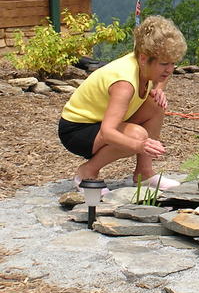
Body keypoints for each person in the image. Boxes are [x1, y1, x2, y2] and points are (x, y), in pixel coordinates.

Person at [58, 15, 187, 192]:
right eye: (164, 64)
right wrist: (139, 146)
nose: (170, 69)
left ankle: (144, 173)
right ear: (143, 58)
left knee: (156, 104)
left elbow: (163, 77)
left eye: (173, 63)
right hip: (78, 130)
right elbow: (108, 132)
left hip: (102, 121)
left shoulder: (146, 66)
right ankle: (87, 172)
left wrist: (158, 89)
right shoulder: (124, 84)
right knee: (137, 135)